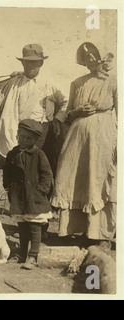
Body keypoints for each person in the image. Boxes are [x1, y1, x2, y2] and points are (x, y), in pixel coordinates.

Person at [51, 42, 117, 249]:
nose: (89, 58)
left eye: (92, 54)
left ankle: (97, 232)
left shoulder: (113, 80)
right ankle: (73, 229)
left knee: (96, 178)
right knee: (72, 177)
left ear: (100, 56)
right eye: (85, 55)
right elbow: (68, 112)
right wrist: (76, 113)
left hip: (102, 134)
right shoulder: (77, 82)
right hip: (77, 136)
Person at [0, 44, 67, 174]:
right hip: (19, 129)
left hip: (42, 131)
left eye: (34, 63)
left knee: (37, 165)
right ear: (23, 63)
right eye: (27, 63)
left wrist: (58, 119)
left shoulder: (50, 83)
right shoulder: (14, 83)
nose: (30, 66)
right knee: (19, 164)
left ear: (41, 63)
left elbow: (66, 101)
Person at [3, 119, 53, 270]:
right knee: (22, 225)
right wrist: (8, 186)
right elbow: (7, 172)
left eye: (29, 138)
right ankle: (22, 253)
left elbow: (47, 174)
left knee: (35, 226)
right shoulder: (13, 153)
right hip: (18, 196)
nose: (24, 140)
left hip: (34, 197)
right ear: (18, 134)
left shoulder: (38, 154)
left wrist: (41, 190)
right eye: (22, 136)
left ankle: (33, 255)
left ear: (36, 139)